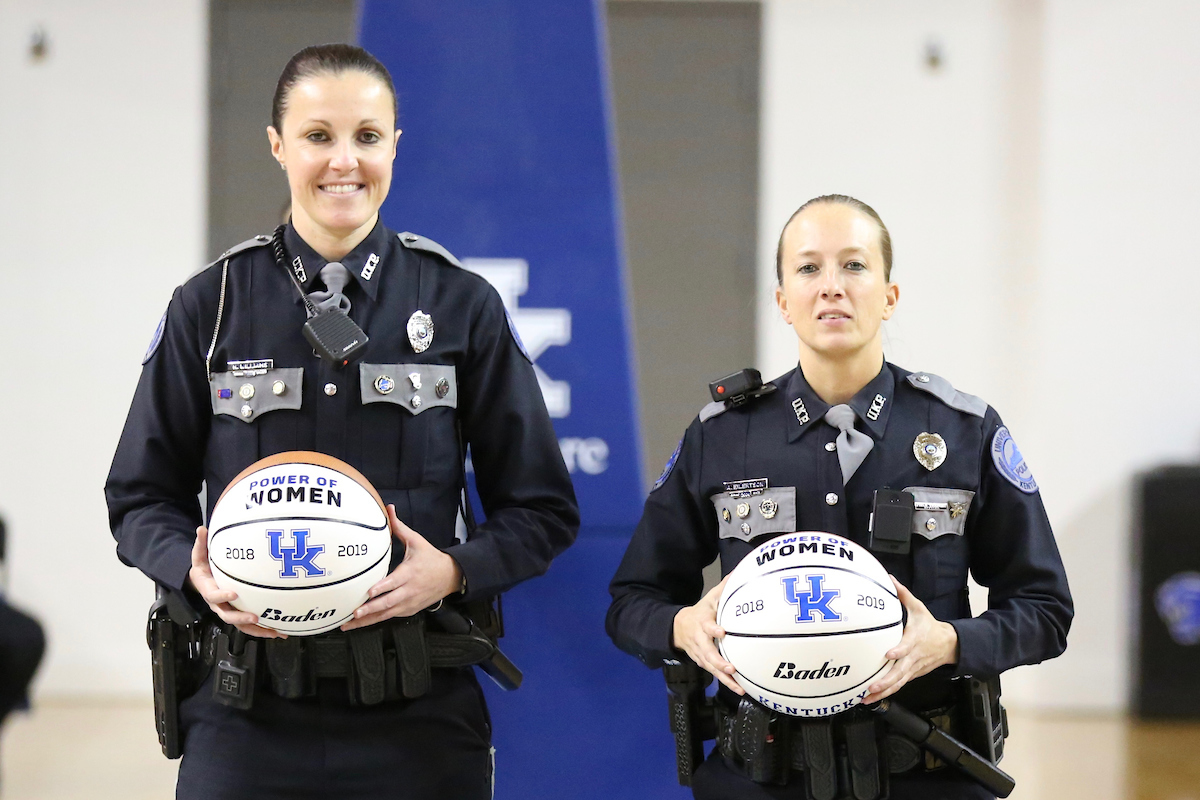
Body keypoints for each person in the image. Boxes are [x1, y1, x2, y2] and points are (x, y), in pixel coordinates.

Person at [105, 44, 579, 799]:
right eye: (318, 136)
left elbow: (544, 511)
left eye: (367, 136)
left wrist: (453, 570)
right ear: (277, 146)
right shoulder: (211, 305)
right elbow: (137, 498)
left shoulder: (462, 305)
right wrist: (189, 567)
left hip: (418, 715)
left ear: (395, 145)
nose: (344, 162)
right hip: (246, 715)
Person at [606, 195, 1072, 799]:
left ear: (889, 296)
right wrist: (681, 626)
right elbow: (630, 602)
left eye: (854, 266)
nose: (831, 287)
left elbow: (1045, 609)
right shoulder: (720, 437)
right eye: (808, 268)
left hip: (926, 778)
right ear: (782, 302)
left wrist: (954, 643)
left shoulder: (963, 431)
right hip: (763, 778)